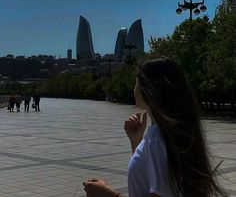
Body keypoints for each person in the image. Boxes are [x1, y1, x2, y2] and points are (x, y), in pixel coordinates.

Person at [83, 58, 228, 197]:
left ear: (148, 89)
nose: (134, 88)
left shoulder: (158, 138)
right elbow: (153, 177)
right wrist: (137, 141)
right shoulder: (168, 132)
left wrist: (108, 194)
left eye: (136, 82)